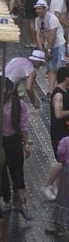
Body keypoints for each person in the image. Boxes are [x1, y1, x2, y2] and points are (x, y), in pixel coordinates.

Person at [0, 80, 31, 218]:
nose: (4, 93)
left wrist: (27, 144)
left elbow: (24, 126)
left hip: (14, 141)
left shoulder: (20, 104)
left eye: (6, 90)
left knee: (18, 172)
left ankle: (23, 204)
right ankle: (6, 200)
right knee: (2, 173)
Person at [45, 67, 69, 201]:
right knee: (62, 160)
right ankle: (48, 185)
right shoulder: (58, 94)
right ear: (66, 78)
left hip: (66, 130)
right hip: (59, 131)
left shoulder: (66, 91)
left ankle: (59, 189)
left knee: (65, 161)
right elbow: (58, 114)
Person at [35, 0, 66, 94]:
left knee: (59, 68)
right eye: (37, 9)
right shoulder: (38, 20)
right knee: (51, 69)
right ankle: (51, 91)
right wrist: (41, 50)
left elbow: (53, 34)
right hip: (48, 45)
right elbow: (38, 35)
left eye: (40, 9)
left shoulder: (52, 19)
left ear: (45, 9)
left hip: (58, 45)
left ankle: (62, 89)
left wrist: (49, 50)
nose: (38, 11)